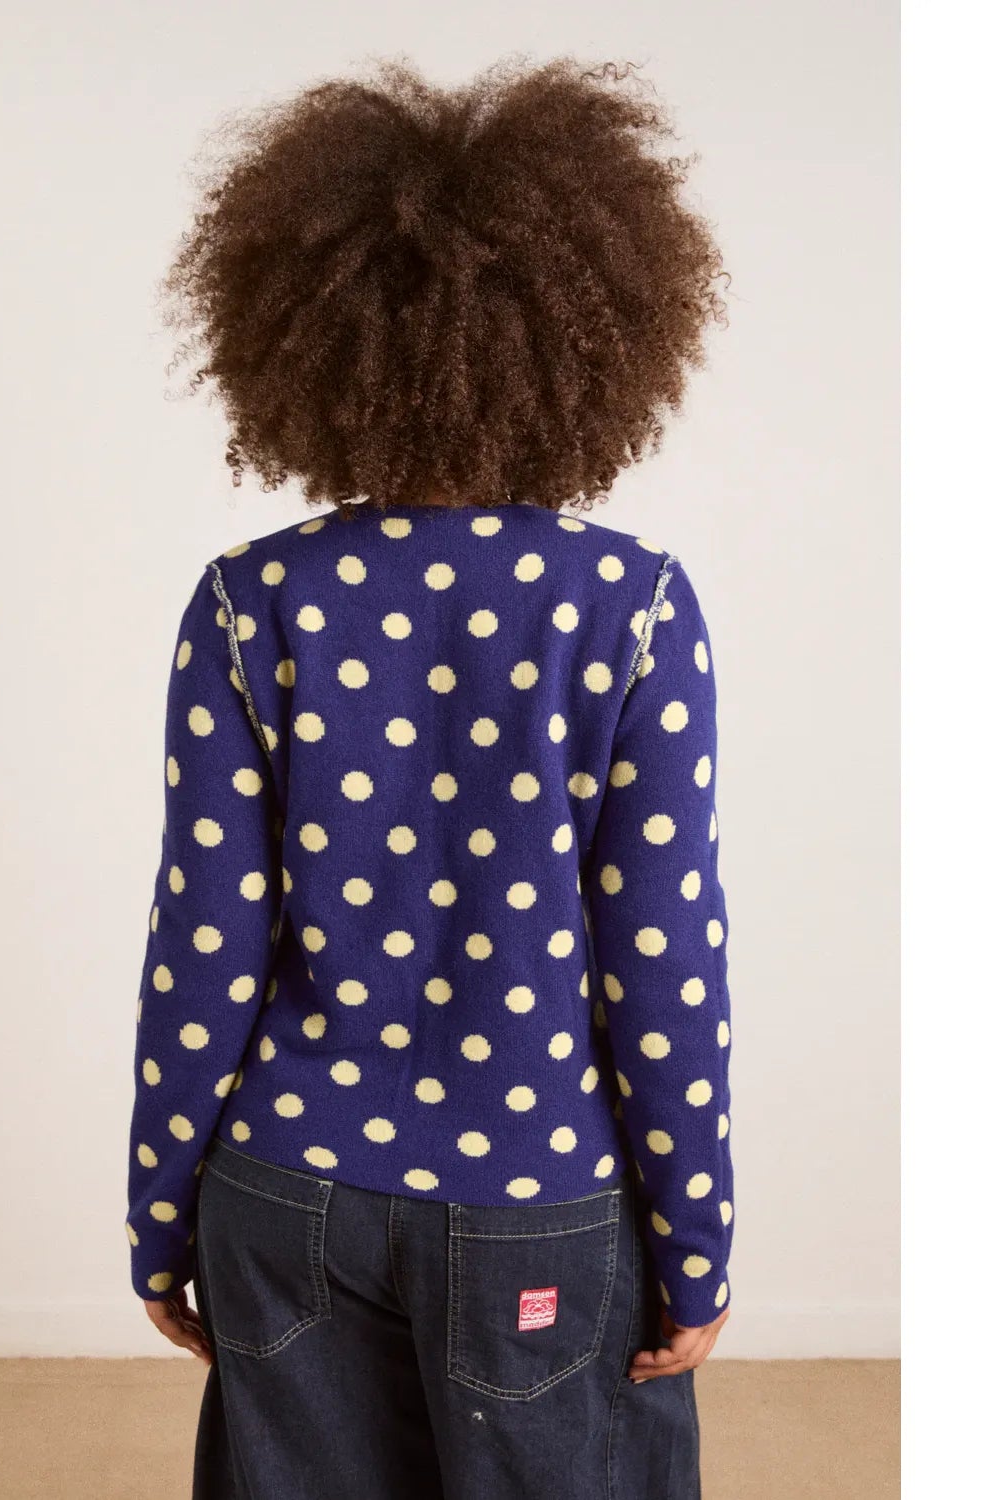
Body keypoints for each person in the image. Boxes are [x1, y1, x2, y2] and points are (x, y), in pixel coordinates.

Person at [125, 57, 733, 1499]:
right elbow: (662, 960)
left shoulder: (249, 603)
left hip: (284, 1191)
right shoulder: (630, 606)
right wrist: (696, 1240)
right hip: (538, 1200)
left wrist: (160, 1217)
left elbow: (202, 944)